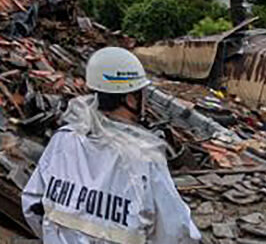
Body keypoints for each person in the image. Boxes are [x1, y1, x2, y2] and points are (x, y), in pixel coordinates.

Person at [21, 47, 200, 244]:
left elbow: (32, 205)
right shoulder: (144, 159)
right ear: (130, 99)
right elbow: (177, 233)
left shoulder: (64, 140)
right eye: (140, 94)